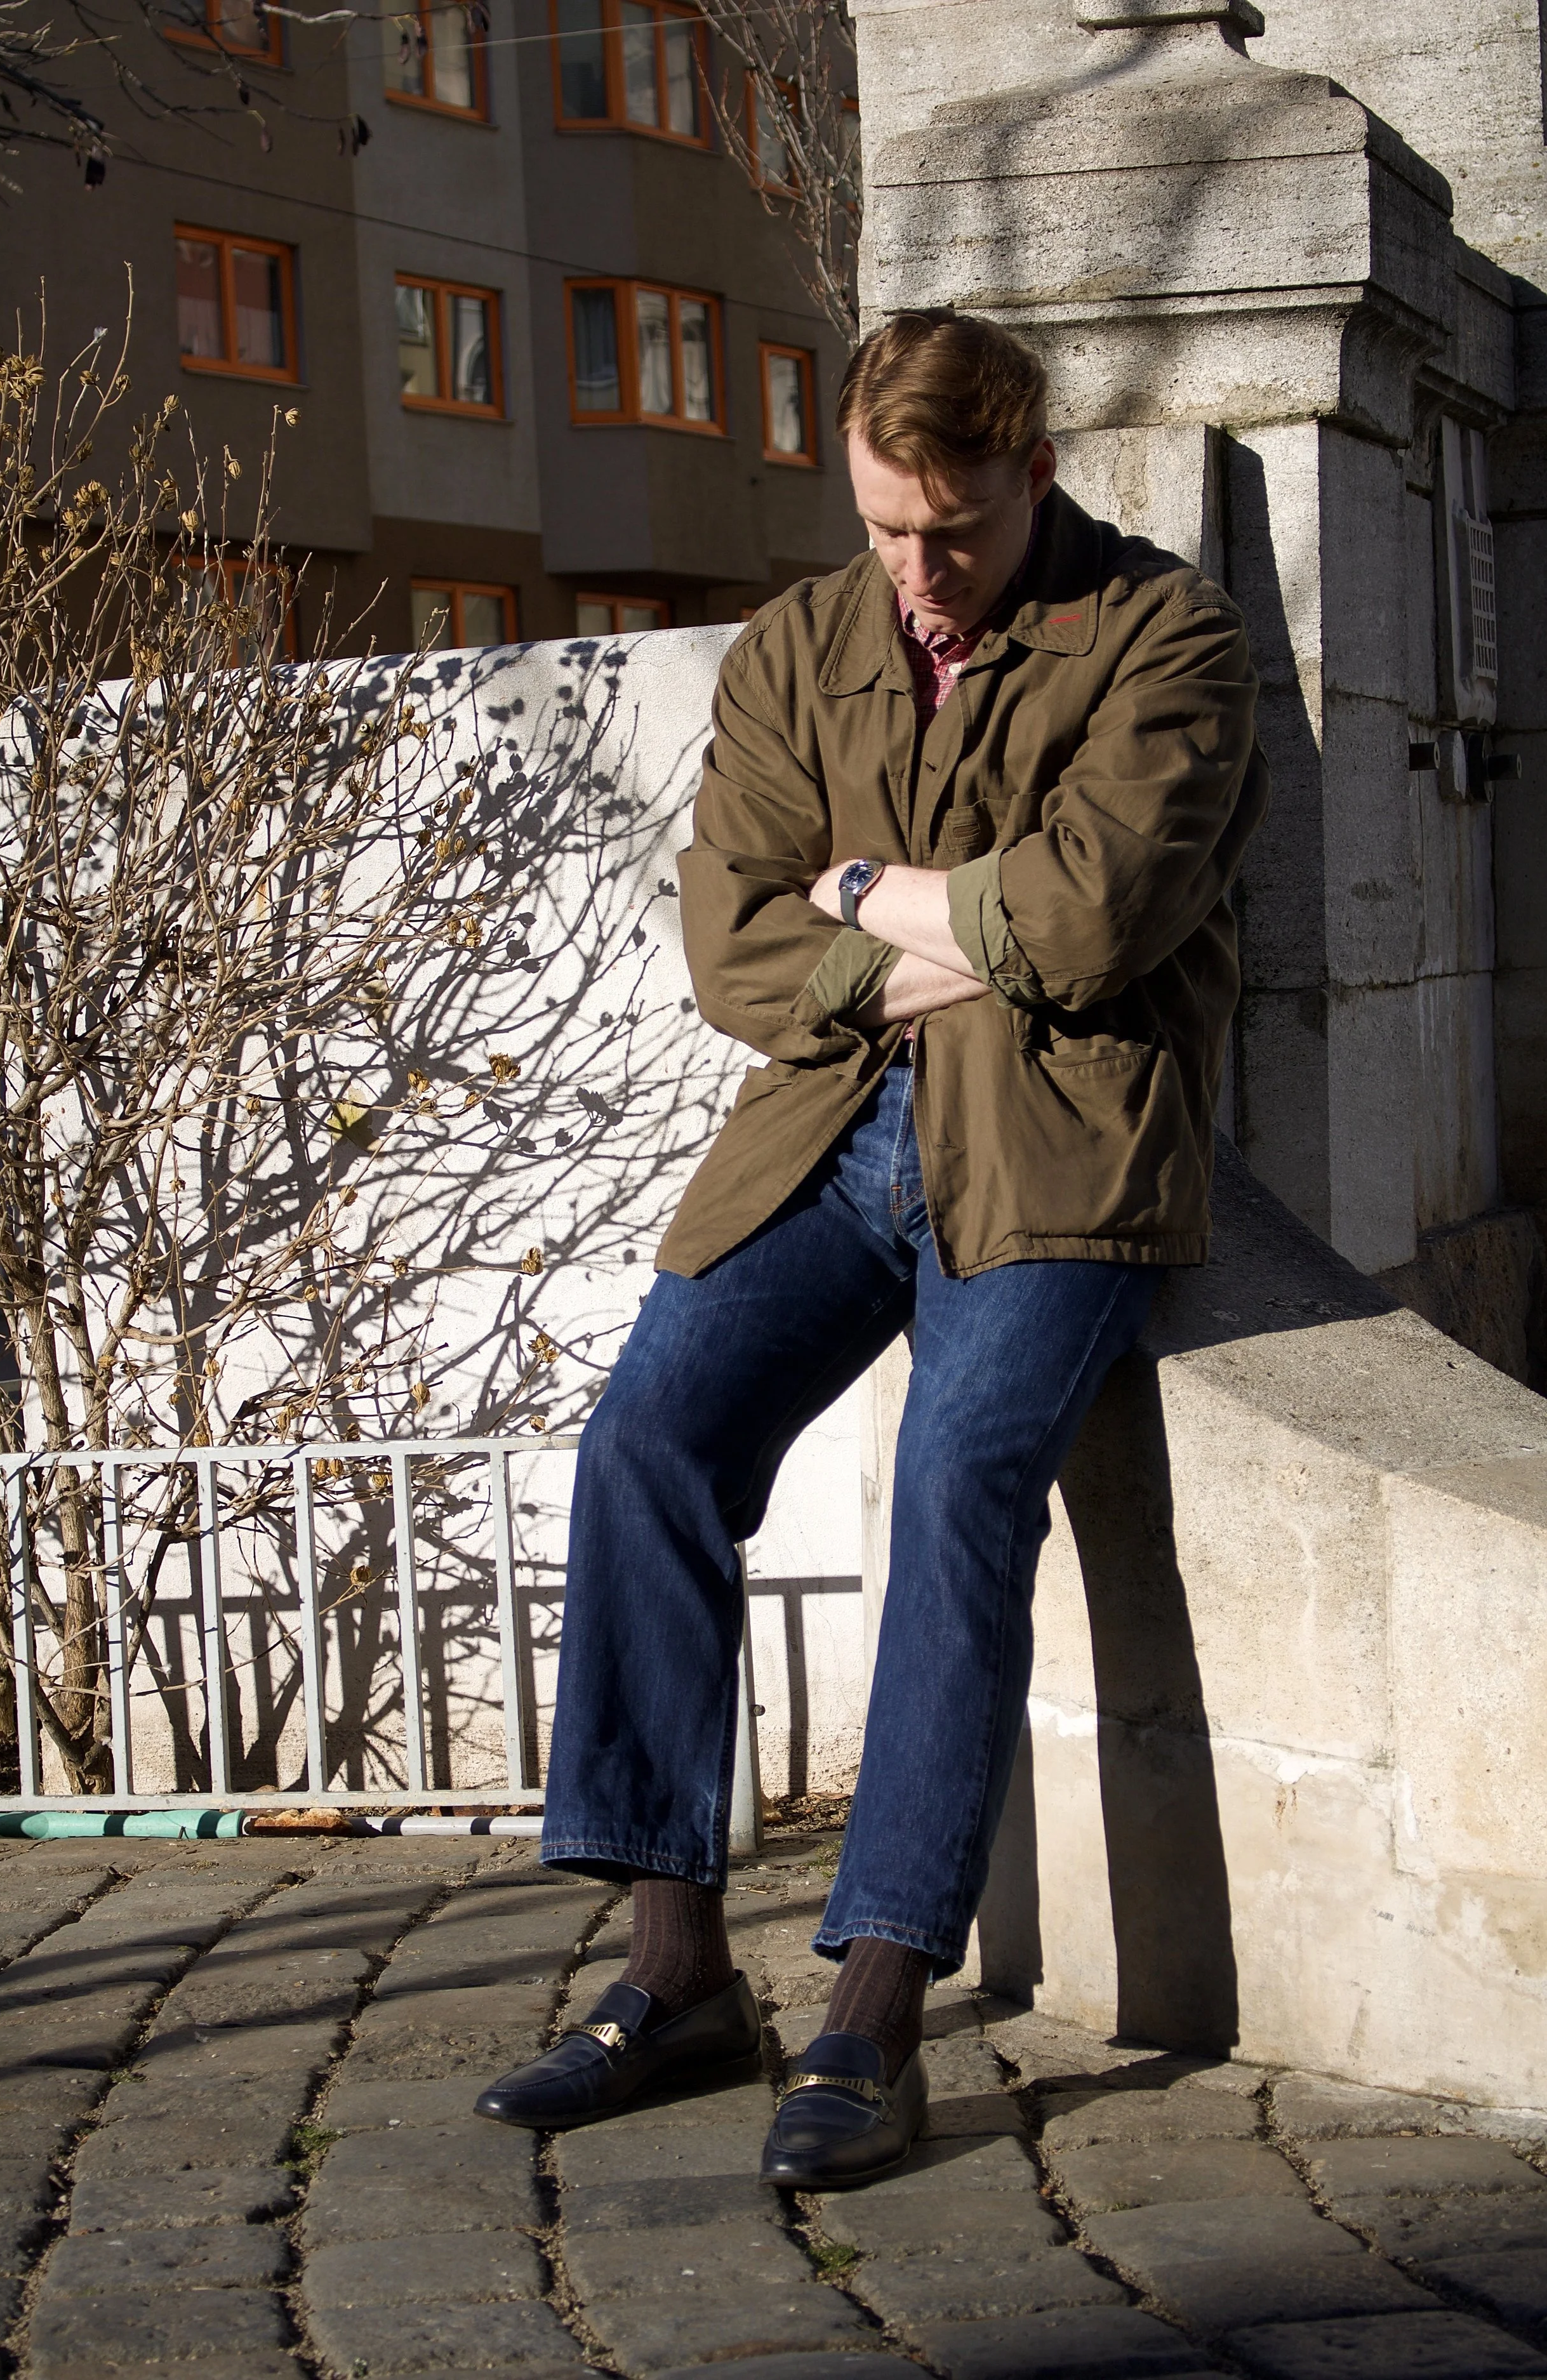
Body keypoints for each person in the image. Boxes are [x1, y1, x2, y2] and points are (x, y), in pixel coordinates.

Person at [475, 308, 1268, 2189]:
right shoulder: (802, 643)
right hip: (827, 1130)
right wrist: (913, 929)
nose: (919, 570)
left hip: (1062, 1139)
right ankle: (674, 1973)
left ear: (1033, 477)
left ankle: (873, 2008)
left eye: (959, 530)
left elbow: (1088, 927)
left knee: (957, 1483)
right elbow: (727, 944)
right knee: (648, 1442)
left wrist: (864, 898)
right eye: (887, 524)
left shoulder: (1166, 635)